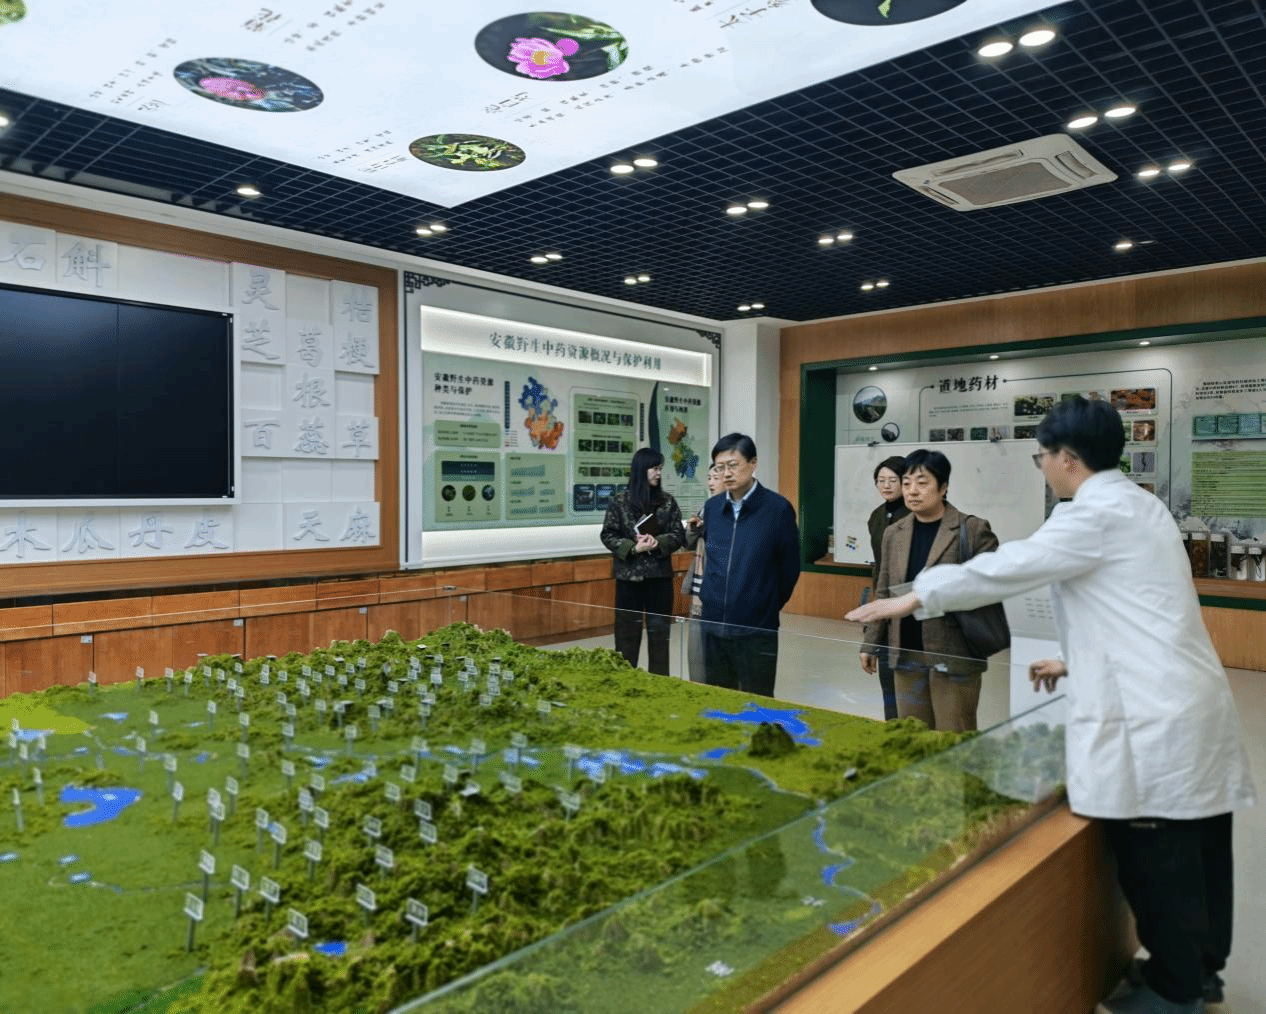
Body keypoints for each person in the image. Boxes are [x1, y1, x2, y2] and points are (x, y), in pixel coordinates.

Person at [847, 397, 1256, 1014]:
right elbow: (1139, 609)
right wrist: (1072, 659)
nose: (1040, 466)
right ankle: (1199, 972)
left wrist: (914, 597)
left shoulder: (1092, 513)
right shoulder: (1140, 505)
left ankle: (1176, 990)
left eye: (1041, 456)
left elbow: (1009, 566)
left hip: (1153, 714)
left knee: (1160, 854)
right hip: (1180, 696)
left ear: (1067, 459)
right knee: (1201, 847)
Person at [858, 448, 998, 731]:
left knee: (953, 736)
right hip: (906, 651)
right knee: (913, 734)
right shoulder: (894, 534)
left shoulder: (972, 530)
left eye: (922, 483)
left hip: (953, 654)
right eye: (907, 483)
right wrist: (871, 642)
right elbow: (884, 591)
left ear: (943, 487)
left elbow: (989, 589)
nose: (912, 491)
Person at [697, 433, 800, 696]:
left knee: (757, 698)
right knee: (718, 697)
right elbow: (712, 561)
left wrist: (765, 605)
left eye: (733, 465)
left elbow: (789, 568)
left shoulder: (777, 509)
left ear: (753, 463)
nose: (726, 473)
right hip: (712, 623)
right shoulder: (712, 508)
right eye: (720, 467)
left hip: (756, 627)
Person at [599, 447, 686, 675]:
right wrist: (633, 548)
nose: (659, 473)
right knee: (626, 639)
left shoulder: (667, 502)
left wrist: (658, 542)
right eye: (655, 468)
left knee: (660, 638)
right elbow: (608, 535)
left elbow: (679, 534)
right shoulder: (619, 502)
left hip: (660, 579)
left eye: (660, 469)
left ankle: (660, 684)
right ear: (641, 470)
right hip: (629, 580)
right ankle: (626, 682)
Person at [865, 455, 910, 719]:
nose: (886, 485)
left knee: (910, 690)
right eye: (880, 480)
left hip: (910, 606)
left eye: (893, 480)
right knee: (888, 686)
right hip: (883, 604)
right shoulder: (876, 516)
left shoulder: (916, 515)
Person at [683, 461, 725, 682]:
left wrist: (708, 529)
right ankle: (698, 687)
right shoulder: (706, 508)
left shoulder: (734, 511)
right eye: (709, 478)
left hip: (721, 591)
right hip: (699, 592)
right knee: (696, 648)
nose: (711, 483)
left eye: (716, 478)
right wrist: (692, 528)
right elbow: (688, 543)